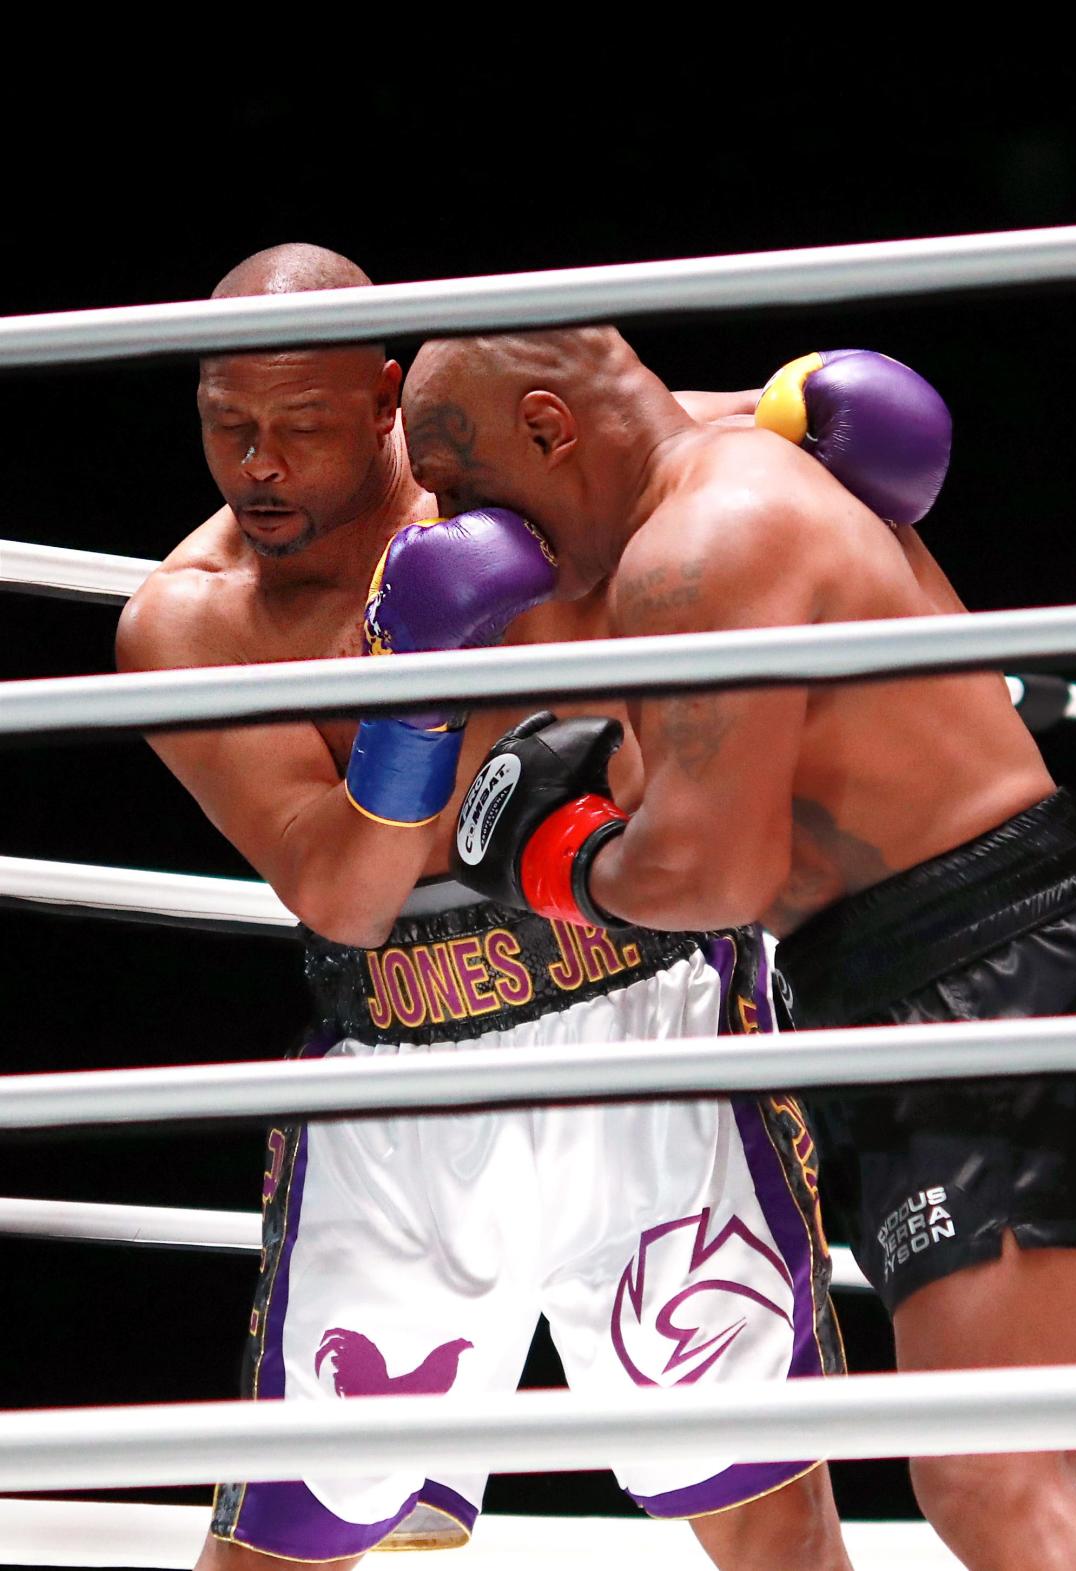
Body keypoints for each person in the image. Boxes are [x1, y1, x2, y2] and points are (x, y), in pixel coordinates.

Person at [117, 246, 945, 1569]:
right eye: (229, 427)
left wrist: (806, 413)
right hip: (395, 1088)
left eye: (303, 427)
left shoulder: (530, 466)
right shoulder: (195, 624)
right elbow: (340, 890)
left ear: (387, 395)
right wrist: (417, 685)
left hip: (647, 1031)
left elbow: (745, 438)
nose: (260, 466)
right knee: (285, 1537)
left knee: (769, 1517)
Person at [403, 326, 1076, 1571]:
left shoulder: (697, 549)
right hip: (1007, 959)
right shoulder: (744, 461)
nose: (469, 534)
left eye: (461, 490)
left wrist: (546, 860)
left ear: (551, 428)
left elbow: (711, 874)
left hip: (985, 983)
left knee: (989, 1486)